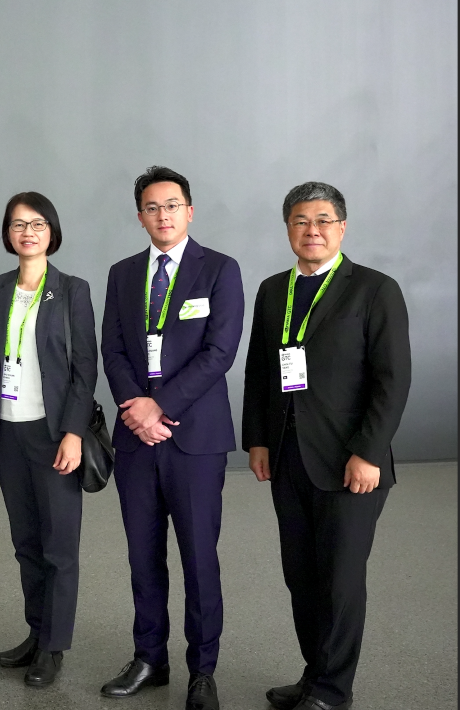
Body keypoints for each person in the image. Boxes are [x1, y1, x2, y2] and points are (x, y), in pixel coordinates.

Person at [242, 182, 410, 710]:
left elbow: (392, 380)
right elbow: (259, 371)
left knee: (339, 581)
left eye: (322, 220)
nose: (311, 230)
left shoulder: (375, 289)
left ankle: (333, 692)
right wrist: (258, 440)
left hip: (350, 461)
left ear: (342, 227)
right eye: (300, 221)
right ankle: (314, 675)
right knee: (302, 577)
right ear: (288, 228)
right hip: (289, 456)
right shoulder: (273, 290)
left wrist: (369, 452)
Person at [99, 166, 244, 710]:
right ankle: (149, 658)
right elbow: (113, 348)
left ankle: (202, 671)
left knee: (199, 559)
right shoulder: (122, 273)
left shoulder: (220, 269)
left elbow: (219, 352)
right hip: (137, 440)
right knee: (142, 556)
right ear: (140, 216)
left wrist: (160, 405)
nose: (163, 215)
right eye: (152, 207)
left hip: (194, 440)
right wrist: (137, 410)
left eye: (173, 205)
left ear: (190, 211)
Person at [0, 192, 98, 687]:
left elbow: (85, 369)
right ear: (7, 233)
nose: (27, 232)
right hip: (7, 433)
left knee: (59, 547)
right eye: (18, 224)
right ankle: (36, 632)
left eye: (37, 224)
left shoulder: (72, 290)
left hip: (53, 435)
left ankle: (54, 647)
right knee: (26, 543)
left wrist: (73, 432)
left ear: (51, 231)